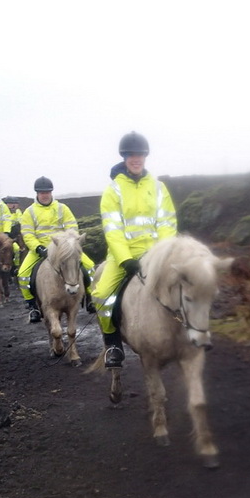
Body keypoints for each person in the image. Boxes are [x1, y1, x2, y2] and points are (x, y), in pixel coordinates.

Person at [91, 131, 178, 368]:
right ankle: (113, 345)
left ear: (145, 157)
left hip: (155, 254)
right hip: (124, 257)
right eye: (131, 155)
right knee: (101, 295)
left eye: (140, 154)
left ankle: (192, 335)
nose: (136, 158)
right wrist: (126, 259)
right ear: (125, 157)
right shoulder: (113, 190)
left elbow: (167, 223)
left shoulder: (158, 187)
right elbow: (113, 229)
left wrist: (163, 253)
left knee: (188, 284)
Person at [17, 176, 95, 323]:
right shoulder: (29, 212)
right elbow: (27, 233)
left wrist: (69, 243)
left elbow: (72, 227)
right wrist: (38, 247)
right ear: (37, 194)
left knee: (90, 267)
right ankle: (32, 305)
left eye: (47, 192)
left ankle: (90, 298)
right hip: (40, 249)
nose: (45, 195)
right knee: (23, 274)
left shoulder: (62, 208)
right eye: (42, 193)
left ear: (51, 193)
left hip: (63, 248)